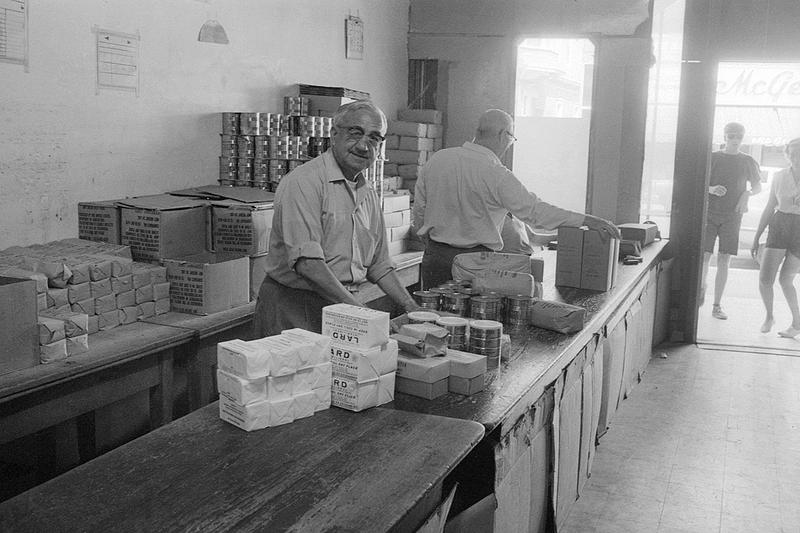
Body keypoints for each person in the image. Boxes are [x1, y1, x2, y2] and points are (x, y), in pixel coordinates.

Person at [253, 100, 421, 336]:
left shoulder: (367, 193)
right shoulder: (304, 182)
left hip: (338, 304)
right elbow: (308, 264)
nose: (364, 146)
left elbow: (379, 264)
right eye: (355, 133)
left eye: (374, 138)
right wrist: (361, 314)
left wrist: (410, 306)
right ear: (333, 135)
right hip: (292, 304)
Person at [412, 108, 619, 289]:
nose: (509, 144)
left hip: (435, 259)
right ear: (503, 135)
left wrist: (432, 243)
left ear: (477, 132)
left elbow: (420, 209)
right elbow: (536, 212)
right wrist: (588, 220)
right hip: (475, 264)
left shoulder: (438, 159)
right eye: (511, 139)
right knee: (472, 325)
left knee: (431, 322)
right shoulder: (496, 173)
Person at [701, 122, 762, 320]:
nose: (735, 140)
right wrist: (711, 189)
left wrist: (747, 194)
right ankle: (700, 290)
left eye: (738, 136)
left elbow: (757, 187)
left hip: (733, 216)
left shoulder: (748, 161)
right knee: (704, 257)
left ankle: (716, 304)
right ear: (724, 136)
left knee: (724, 259)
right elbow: (699, 182)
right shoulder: (713, 157)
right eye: (731, 135)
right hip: (710, 212)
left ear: (743, 138)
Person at [750, 137, 800, 337]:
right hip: (780, 225)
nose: (798, 157)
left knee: (786, 279)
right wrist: (757, 235)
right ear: (788, 155)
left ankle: (797, 324)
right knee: (765, 278)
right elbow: (770, 205)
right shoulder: (779, 176)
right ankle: (769, 316)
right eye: (794, 153)